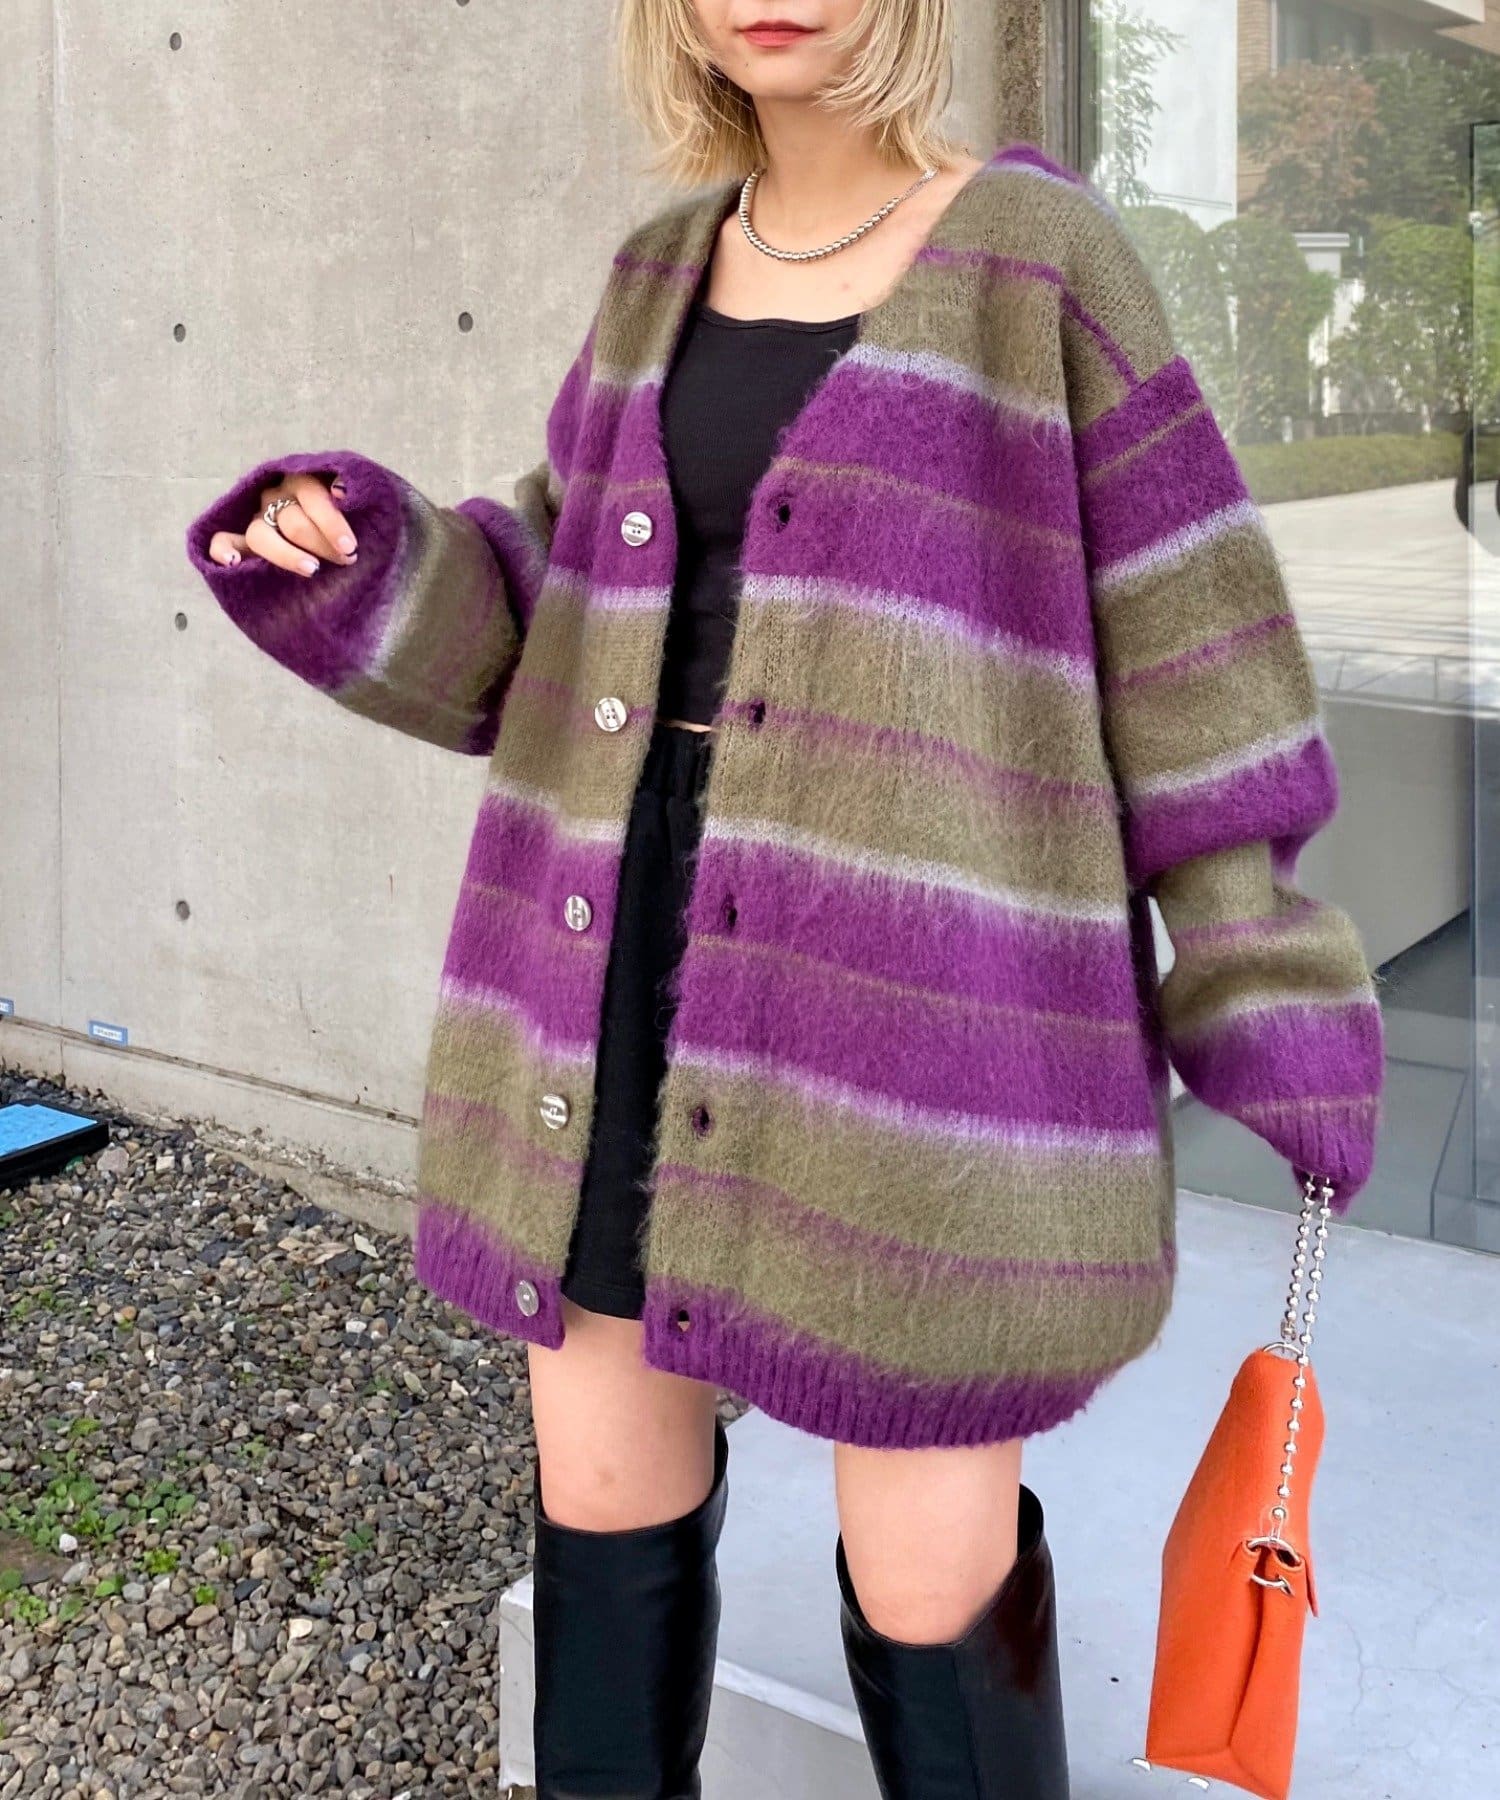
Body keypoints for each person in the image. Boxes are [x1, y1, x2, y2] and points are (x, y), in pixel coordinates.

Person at [184, 3, 1386, 1794]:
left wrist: (1254, 965)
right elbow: (554, 590)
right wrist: (364, 557)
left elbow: (1192, 644)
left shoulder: (1040, 260)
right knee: (602, 1492)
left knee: (927, 1569)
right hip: (610, 950)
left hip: (919, 985)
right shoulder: (659, 270)